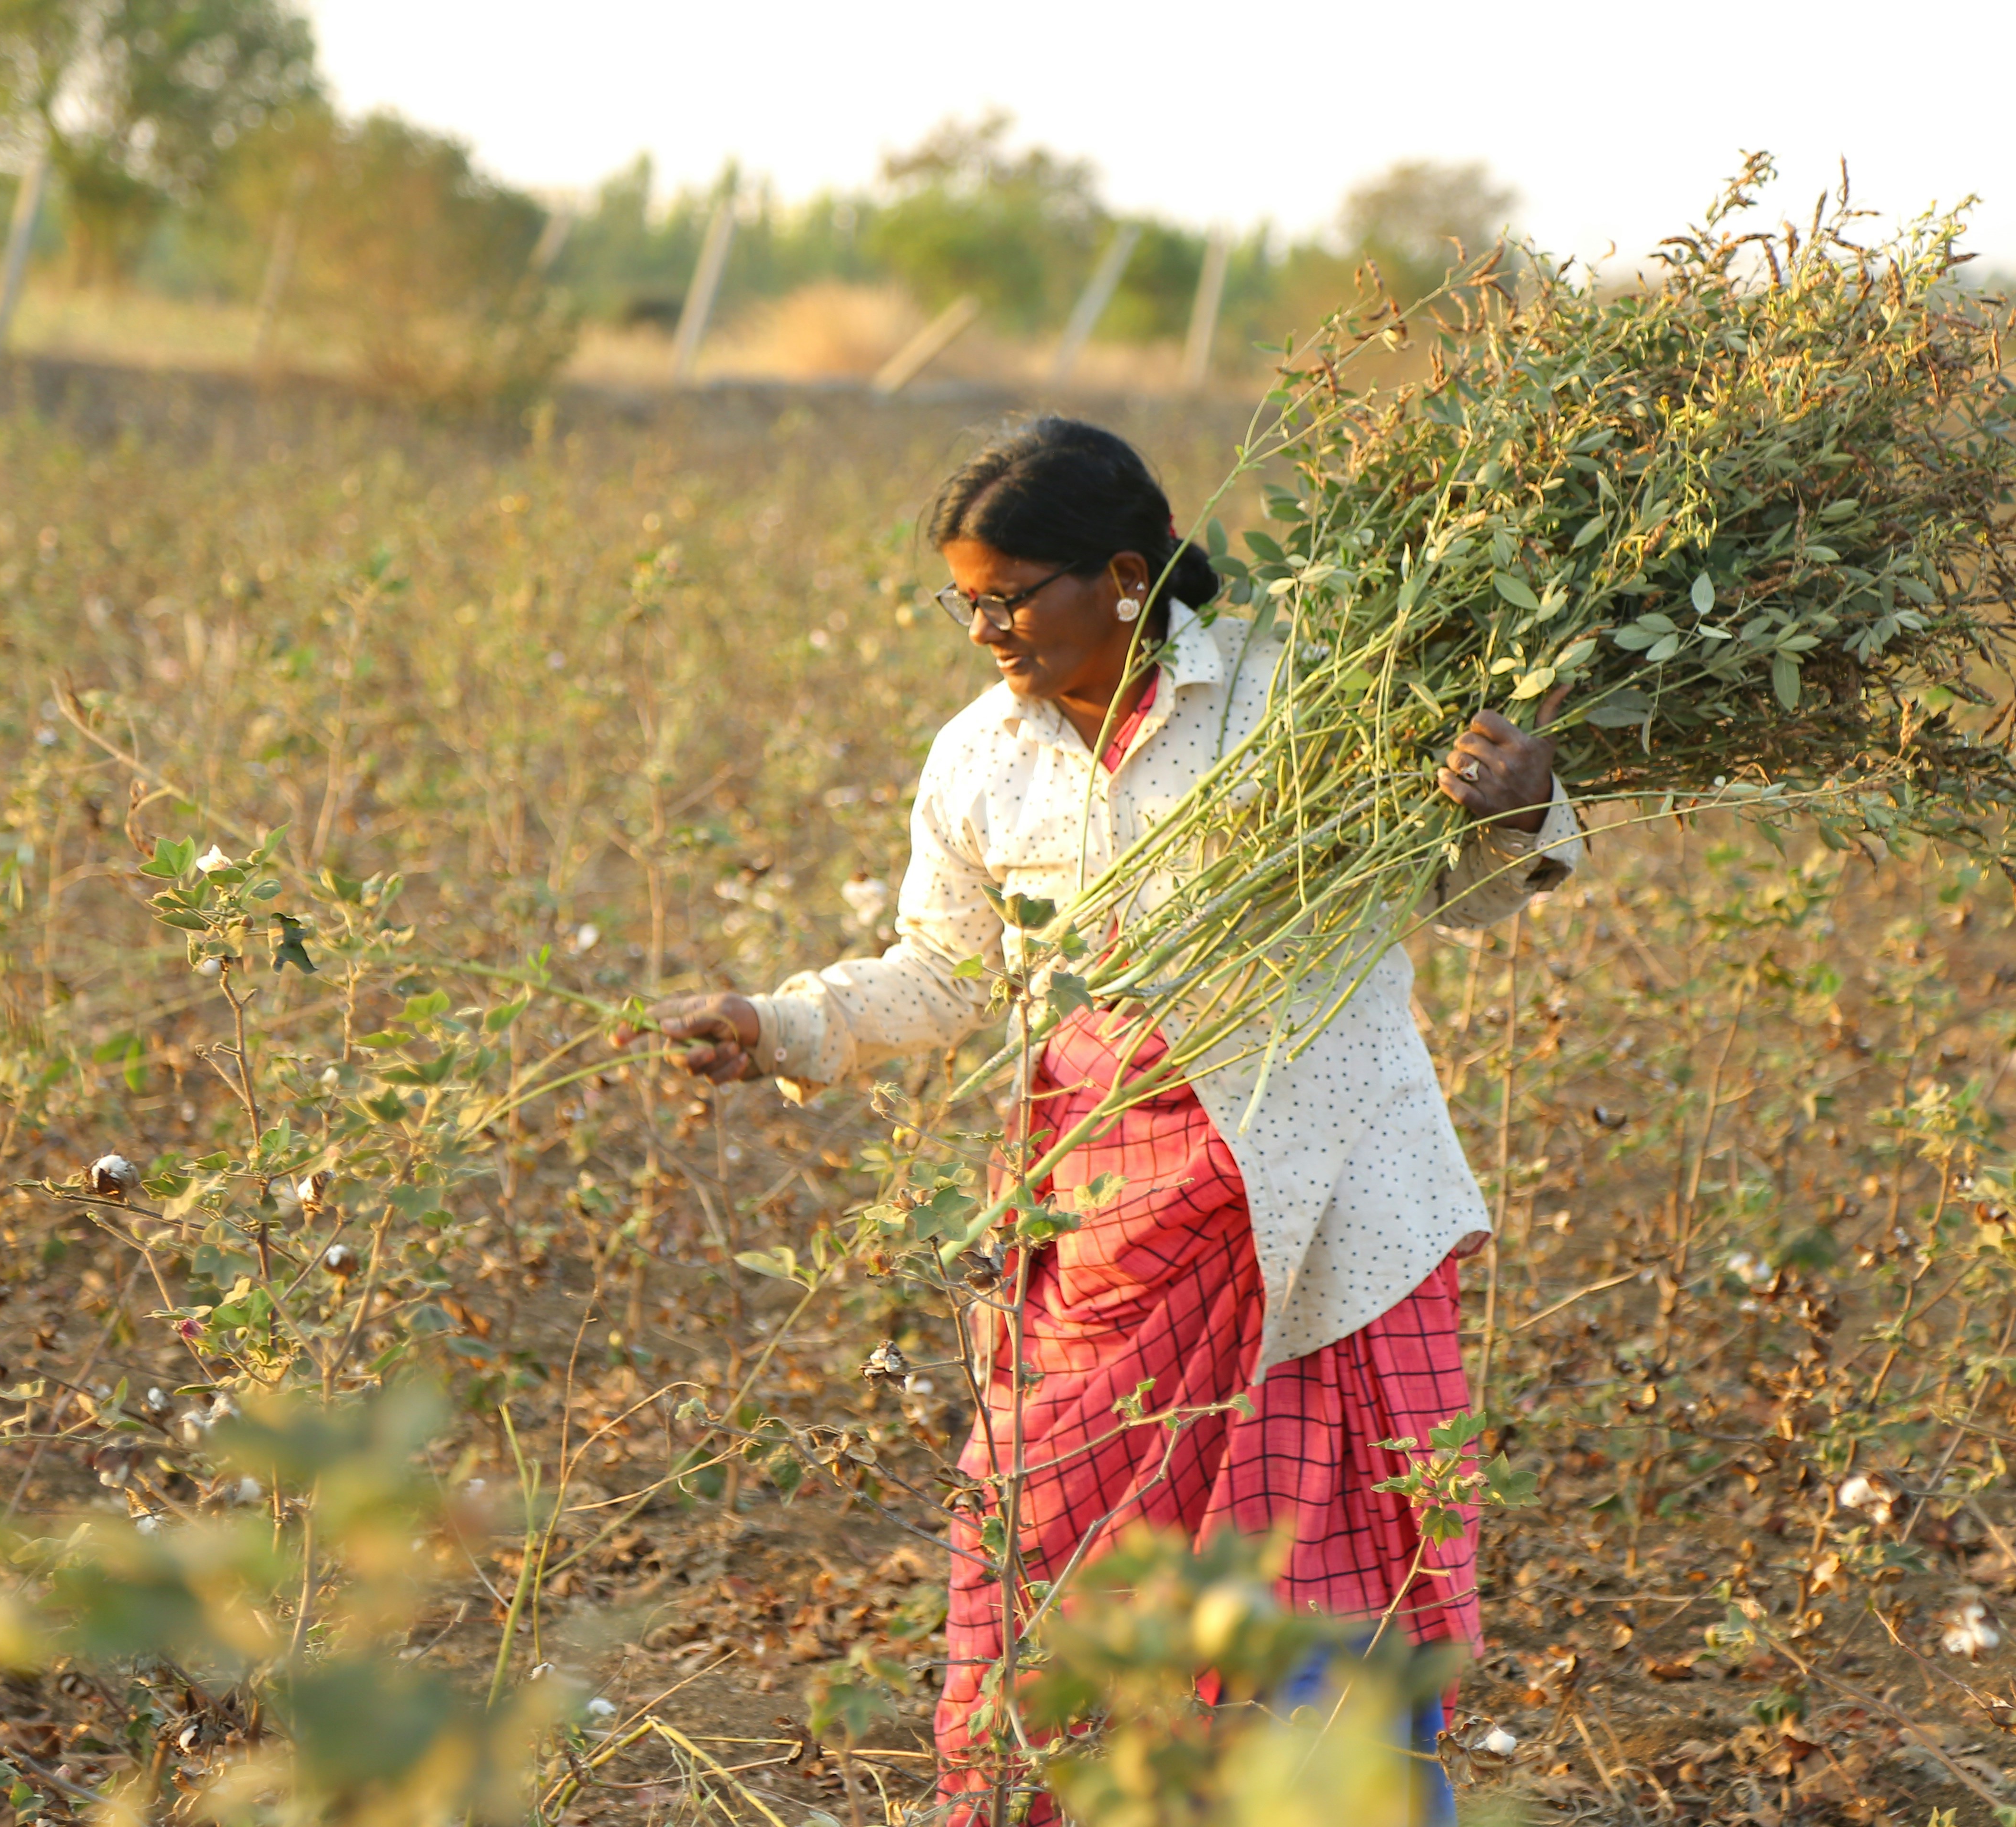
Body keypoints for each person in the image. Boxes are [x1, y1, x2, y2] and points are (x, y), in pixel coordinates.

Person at [653, 417, 1579, 1823]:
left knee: (1328, 1616)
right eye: (964, 602)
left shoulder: (1307, 700)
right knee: (1055, 1601)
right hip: (1095, 1236)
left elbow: (1456, 891)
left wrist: (1524, 810)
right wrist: (776, 1025)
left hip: (1325, 1218)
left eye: (1011, 595)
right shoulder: (983, 760)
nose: (985, 631)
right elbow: (947, 969)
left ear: (1129, 576)